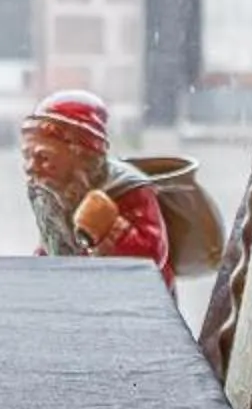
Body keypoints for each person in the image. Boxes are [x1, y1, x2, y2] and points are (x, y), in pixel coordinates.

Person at [18, 89, 172, 282]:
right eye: (27, 157)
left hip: (130, 298)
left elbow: (153, 256)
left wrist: (112, 228)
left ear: (81, 155)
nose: (31, 168)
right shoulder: (55, 194)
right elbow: (54, 245)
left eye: (44, 158)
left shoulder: (127, 189)